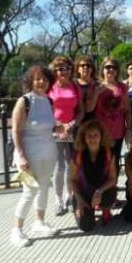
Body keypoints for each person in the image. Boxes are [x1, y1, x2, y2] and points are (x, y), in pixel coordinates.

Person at [10, 66, 62, 247]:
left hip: (49, 152)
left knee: (44, 188)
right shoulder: (24, 101)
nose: (41, 82)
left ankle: (39, 222)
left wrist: (59, 128)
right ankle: (16, 230)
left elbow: (49, 125)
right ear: (30, 81)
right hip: (28, 155)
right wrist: (21, 155)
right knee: (29, 191)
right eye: (37, 79)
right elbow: (16, 130)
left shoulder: (48, 101)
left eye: (45, 80)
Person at [48, 56, 84, 216]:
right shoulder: (50, 87)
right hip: (55, 129)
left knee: (71, 165)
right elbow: (47, 109)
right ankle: (58, 199)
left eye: (68, 68)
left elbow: (81, 110)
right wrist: (59, 126)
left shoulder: (75, 87)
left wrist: (71, 125)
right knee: (59, 166)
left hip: (72, 130)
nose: (65, 71)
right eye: (61, 68)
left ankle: (70, 195)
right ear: (55, 71)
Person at [70, 120, 117, 232]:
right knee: (85, 226)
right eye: (89, 136)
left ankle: (105, 209)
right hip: (83, 194)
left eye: (96, 135)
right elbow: (72, 180)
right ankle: (81, 207)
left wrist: (99, 191)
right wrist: (79, 200)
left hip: (100, 191)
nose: (92, 139)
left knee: (110, 195)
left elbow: (112, 179)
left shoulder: (108, 153)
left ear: (101, 137)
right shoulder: (78, 155)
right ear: (84, 138)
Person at [87, 57, 131, 178]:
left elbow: (127, 110)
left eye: (114, 67)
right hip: (100, 133)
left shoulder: (122, 87)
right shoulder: (95, 86)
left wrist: (128, 130)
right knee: (100, 163)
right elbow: (89, 109)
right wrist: (96, 93)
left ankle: (112, 192)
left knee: (114, 162)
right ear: (103, 69)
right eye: (108, 67)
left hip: (118, 132)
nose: (111, 70)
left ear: (117, 71)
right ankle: (99, 191)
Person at [74, 56, 97, 122]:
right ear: (77, 68)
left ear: (92, 69)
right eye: (82, 65)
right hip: (75, 120)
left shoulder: (97, 85)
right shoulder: (73, 84)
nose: (85, 67)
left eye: (88, 65)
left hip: (92, 121)